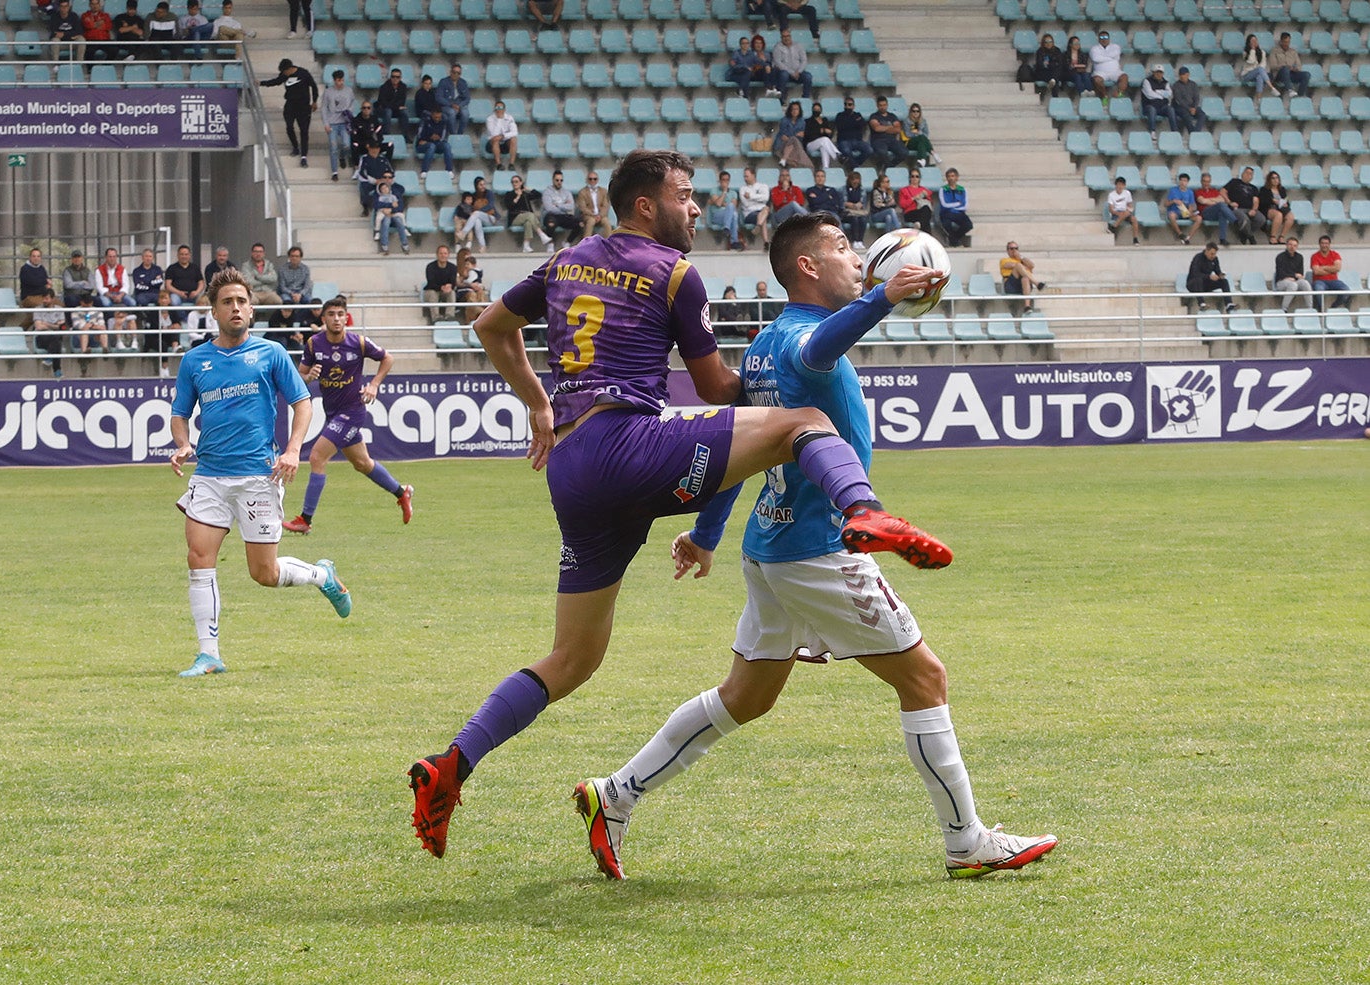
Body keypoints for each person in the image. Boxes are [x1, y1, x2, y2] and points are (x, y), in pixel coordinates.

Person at [406, 150, 952, 860]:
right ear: (645, 206)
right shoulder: (674, 273)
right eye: (686, 196)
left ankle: (451, 765)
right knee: (803, 427)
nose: (695, 209)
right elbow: (713, 386)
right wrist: (761, 382)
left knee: (572, 657)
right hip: (628, 443)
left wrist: (539, 405)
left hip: (571, 465)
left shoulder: (566, 260)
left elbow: (489, 326)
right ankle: (864, 511)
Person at [571, 211, 1057, 882]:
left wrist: (706, 534)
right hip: (820, 546)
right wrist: (881, 299)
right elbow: (821, 349)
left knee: (745, 696)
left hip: (769, 544)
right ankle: (965, 840)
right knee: (925, 679)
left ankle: (615, 793)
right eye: (840, 249)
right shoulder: (801, 339)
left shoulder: (764, 344)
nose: (856, 258)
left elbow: (740, 445)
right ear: (808, 266)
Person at [169, 269, 351, 678]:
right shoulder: (195, 360)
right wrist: (183, 443)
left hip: (258, 476)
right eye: (226, 302)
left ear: (251, 309)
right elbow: (179, 414)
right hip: (210, 476)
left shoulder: (271, 354)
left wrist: (291, 450)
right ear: (214, 311)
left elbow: (303, 404)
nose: (235, 308)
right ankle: (209, 655)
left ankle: (321, 575)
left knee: (263, 574)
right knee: (199, 558)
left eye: (241, 302)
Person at [282, 297, 414, 535]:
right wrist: (310, 376)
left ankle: (305, 520)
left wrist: (374, 384)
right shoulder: (314, 344)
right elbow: (300, 375)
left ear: (346, 317)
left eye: (340, 314)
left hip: (352, 412)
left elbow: (388, 357)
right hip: (333, 413)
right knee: (362, 464)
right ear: (323, 319)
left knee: (316, 457)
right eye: (331, 314)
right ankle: (401, 492)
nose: (336, 319)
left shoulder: (358, 343)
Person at [260, 59, 319, 168]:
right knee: (289, 127)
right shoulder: (284, 75)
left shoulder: (303, 73)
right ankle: (295, 147)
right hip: (290, 105)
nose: (284, 74)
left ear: (290, 69)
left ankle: (304, 156)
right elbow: (276, 81)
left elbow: (314, 86)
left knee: (304, 131)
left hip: (303, 106)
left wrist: (314, 101)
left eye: (284, 72)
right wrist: (261, 83)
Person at [505, 173, 553, 254]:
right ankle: (541, 234)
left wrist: (528, 189)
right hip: (515, 218)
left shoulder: (525, 194)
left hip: (527, 218)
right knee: (530, 215)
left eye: (516, 182)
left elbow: (538, 195)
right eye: (513, 182)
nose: (514, 184)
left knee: (528, 223)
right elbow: (509, 206)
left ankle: (526, 246)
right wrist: (517, 197)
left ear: (521, 183)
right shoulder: (509, 194)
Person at [320, 69, 353, 182]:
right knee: (333, 147)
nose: (341, 82)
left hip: (344, 122)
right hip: (332, 122)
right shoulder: (328, 92)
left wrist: (349, 115)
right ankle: (334, 171)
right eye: (339, 80)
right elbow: (324, 108)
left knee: (346, 144)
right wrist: (326, 123)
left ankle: (342, 156)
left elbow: (352, 103)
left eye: (342, 80)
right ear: (334, 81)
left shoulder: (349, 90)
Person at [1193, 172, 1241, 246]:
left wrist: (1209, 200)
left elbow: (1222, 199)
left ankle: (1222, 239)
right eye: (1204, 181)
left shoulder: (1214, 191)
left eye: (1208, 181)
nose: (1206, 183)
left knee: (1222, 213)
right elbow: (1202, 201)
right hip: (1205, 212)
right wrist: (1215, 201)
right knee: (1221, 206)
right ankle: (1235, 222)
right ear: (1201, 182)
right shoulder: (1198, 191)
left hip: (1215, 212)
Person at [165, 244, 205, 327]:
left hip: (193, 295)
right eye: (182, 254)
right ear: (178, 255)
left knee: (204, 301)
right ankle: (185, 319)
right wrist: (179, 292)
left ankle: (201, 323)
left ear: (189, 255)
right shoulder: (172, 268)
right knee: (174, 301)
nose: (184, 256)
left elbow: (201, 283)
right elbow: (168, 285)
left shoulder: (195, 268)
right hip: (177, 295)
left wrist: (196, 292)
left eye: (186, 254)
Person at [1223, 166, 1265, 245]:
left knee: (1261, 219)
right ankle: (1250, 236)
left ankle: (1244, 234)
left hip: (1249, 209)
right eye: (1247, 173)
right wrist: (1229, 202)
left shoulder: (1254, 188)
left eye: (1251, 174)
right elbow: (1223, 191)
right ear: (1242, 174)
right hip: (1236, 208)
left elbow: (1256, 200)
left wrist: (1254, 210)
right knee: (1245, 220)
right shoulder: (1234, 182)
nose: (1248, 175)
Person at [1186, 241, 1233, 312]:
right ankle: (1201, 303)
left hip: (1206, 284)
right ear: (1206, 251)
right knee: (1198, 279)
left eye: (1214, 254)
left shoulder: (1215, 259)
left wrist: (1220, 275)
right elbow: (1195, 273)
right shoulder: (1198, 258)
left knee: (1224, 281)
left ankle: (1228, 304)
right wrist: (1209, 276)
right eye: (1211, 254)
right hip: (1193, 284)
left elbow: (1217, 271)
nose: (1213, 256)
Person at [1000, 241, 1046, 312]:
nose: (1014, 250)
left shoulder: (1022, 260)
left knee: (1025, 278)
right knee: (1018, 265)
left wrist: (1020, 257)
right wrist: (1023, 266)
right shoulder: (1004, 260)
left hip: (1024, 284)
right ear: (1008, 250)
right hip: (1011, 285)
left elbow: (1032, 265)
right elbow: (1010, 265)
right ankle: (1037, 283)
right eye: (1012, 248)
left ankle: (1027, 306)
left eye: (1016, 248)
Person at [541, 170, 583, 247]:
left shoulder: (566, 192)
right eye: (557, 180)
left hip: (563, 215)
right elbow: (549, 208)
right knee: (551, 224)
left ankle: (567, 242)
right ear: (553, 180)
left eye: (561, 180)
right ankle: (550, 245)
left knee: (579, 224)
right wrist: (564, 205)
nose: (559, 182)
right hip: (551, 215)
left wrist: (558, 205)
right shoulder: (547, 192)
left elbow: (571, 206)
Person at [457, 177, 500, 252]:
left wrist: (479, 212)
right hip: (480, 219)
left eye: (484, 184)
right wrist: (456, 214)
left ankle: (463, 233)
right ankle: (483, 246)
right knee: (476, 221)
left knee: (476, 213)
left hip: (491, 218)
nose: (483, 186)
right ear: (476, 186)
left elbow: (491, 205)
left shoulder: (489, 193)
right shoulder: (474, 196)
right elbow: (465, 205)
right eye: (480, 185)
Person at [771, 28, 813, 103]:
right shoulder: (777, 47)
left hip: (798, 73)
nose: (786, 38)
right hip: (785, 73)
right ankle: (780, 99)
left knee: (808, 76)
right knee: (784, 75)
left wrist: (799, 72)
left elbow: (804, 60)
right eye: (784, 36)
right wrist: (791, 73)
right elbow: (778, 63)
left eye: (788, 36)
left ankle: (805, 99)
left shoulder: (798, 46)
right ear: (781, 38)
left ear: (790, 36)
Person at [1309, 234, 1350, 312]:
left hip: (1334, 281)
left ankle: (1333, 308)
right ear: (1319, 244)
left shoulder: (1335, 254)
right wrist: (1331, 270)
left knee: (1346, 290)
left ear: (1329, 244)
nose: (1324, 245)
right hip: (1319, 281)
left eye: (1326, 243)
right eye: (1322, 243)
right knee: (1319, 290)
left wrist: (1323, 267)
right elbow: (1316, 271)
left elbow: (1337, 268)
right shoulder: (1315, 256)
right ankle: (1322, 310)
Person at [373, 175, 411, 256]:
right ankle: (384, 245)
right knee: (386, 221)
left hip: (394, 213)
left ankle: (405, 244)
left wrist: (391, 210)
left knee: (399, 220)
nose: (387, 179)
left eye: (389, 177)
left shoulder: (395, 193)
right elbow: (376, 204)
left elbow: (399, 205)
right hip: (384, 214)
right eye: (385, 177)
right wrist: (387, 207)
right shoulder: (378, 194)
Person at [31, 290, 65, 380]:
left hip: (54, 338)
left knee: (57, 337)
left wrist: (47, 324)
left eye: (46, 298)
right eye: (43, 298)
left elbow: (61, 326)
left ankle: (50, 358)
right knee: (57, 338)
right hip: (42, 337)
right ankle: (57, 369)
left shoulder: (60, 309)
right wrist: (54, 325)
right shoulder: (38, 309)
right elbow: (38, 326)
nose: (44, 300)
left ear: (53, 299)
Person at [867, 94, 907, 170]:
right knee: (882, 152)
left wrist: (883, 128)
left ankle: (888, 167)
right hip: (878, 140)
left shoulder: (892, 116)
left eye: (884, 105)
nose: (883, 107)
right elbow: (876, 128)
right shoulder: (874, 116)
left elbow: (898, 129)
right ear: (877, 106)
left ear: (887, 105)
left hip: (892, 140)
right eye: (880, 105)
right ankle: (887, 168)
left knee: (904, 152)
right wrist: (890, 127)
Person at [1089, 28, 1128, 103]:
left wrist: (1102, 57)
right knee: (1097, 80)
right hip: (1100, 72)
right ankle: (1104, 96)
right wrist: (1111, 58)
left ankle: (1118, 94)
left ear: (1109, 38)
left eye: (1106, 37)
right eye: (1102, 38)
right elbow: (1095, 58)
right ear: (1098, 39)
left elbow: (1116, 54)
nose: (1104, 39)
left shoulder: (1115, 46)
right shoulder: (1094, 48)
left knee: (1124, 77)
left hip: (1115, 72)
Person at [414, 106, 454, 179]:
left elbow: (444, 135)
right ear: (432, 115)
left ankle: (449, 170)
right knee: (431, 146)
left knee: (447, 146)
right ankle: (424, 170)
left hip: (437, 143)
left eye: (439, 117)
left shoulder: (443, 121)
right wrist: (429, 138)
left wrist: (438, 138)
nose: (437, 119)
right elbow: (419, 134)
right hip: (423, 144)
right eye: (436, 117)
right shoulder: (425, 121)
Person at [356, 140, 395, 216]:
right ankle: (365, 208)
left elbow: (391, 171)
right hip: (370, 182)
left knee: (397, 188)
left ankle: (393, 207)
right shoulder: (364, 158)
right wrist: (374, 181)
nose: (375, 150)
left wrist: (386, 180)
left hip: (383, 181)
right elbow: (362, 172)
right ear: (369, 149)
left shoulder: (383, 159)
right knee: (364, 187)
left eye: (377, 148)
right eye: (373, 148)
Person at [1273, 237, 1312, 311]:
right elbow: (1281, 273)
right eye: (1290, 245)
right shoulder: (1280, 257)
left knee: (1305, 283)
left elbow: (1300, 273)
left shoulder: (1299, 257)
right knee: (1293, 285)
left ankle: (1310, 308)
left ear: (1297, 247)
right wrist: (1293, 275)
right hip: (1281, 281)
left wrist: (1293, 276)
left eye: (1294, 245)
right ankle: (1284, 309)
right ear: (1286, 245)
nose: (1292, 247)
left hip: (1295, 280)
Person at [709, 169, 743, 251]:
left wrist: (724, 204)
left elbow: (733, 207)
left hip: (729, 216)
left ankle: (727, 230)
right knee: (732, 213)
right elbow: (718, 204)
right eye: (723, 180)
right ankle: (733, 240)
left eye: (727, 180)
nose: (725, 182)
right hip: (717, 216)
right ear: (720, 181)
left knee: (734, 215)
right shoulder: (714, 190)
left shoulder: (733, 193)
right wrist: (724, 192)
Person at [350, 102, 393, 168]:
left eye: (368, 108)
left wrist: (376, 144)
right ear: (361, 109)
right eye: (364, 108)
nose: (366, 109)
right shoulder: (356, 120)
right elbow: (354, 137)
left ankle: (387, 165)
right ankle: (356, 166)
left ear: (371, 109)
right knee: (354, 145)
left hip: (373, 145)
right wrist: (365, 144)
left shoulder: (374, 119)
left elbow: (379, 134)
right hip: (362, 146)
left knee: (390, 145)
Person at [18, 247, 52, 330]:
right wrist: (44, 284)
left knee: (60, 306)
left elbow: (45, 283)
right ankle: (22, 330)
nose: (36, 258)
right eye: (34, 256)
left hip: (42, 296)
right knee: (43, 307)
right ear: (30, 257)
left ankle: (58, 331)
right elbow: (33, 283)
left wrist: (45, 284)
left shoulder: (42, 268)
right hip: (29, 297)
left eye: (38, 256)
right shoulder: (25, 269)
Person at [241, 242, 284, 308]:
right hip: (253, 292)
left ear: (264, 253)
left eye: (260, 252)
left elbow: (274, 278)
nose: (258, 254)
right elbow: (248, 281)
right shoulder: (246, 266)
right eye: (256, 251)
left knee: (278, 301)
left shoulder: (269, 264)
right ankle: (252, 318)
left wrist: (258, 277)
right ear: (252, 253)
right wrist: (266, 280)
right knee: (250, 302)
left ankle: (272, 319)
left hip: (268, 292)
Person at [1267, 31, 1310, 97]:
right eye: (1285, 42)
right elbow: (1272, 66)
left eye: (1288, 42)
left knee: (1306, 75)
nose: (1286, 44)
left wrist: (1295, 69)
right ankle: (1290, 89)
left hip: (1291, 73)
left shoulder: (1293, 51)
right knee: (1285, 69)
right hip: (1279, 74)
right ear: (1281, 41)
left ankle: (1300, 95)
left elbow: (1299, 65)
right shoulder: (1274, 51)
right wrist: (1283, 66)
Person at [833, 95, 872, 168]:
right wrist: (855, 122)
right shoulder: (840, 115)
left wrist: (850, 123)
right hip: (844, 141)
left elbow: (863, 125)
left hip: (858, 141)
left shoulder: (858, 114)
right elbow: (841, 127)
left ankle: (853, 165)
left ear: (853, 106)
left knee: (869, 150)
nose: (847, 106)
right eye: (845, 104)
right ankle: (856, 168)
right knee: (846, 151)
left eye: (849, 104)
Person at [937, 168, 972, 247]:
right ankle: (955, 241)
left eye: (953, 176)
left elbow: (965, 206)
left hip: (959, 213)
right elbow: (944, 204)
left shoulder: (962, 190)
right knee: (946, 224)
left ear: (957, 177)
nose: (951, 178)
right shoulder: (943, 189)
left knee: (968, 225)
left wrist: (954, 207)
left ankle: (953, 239)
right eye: (949, 176)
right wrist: (958, 204)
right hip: (946, 213)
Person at [453, 247, 489, 324]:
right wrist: (469, 285)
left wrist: (478, 286)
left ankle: (483, 312)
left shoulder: (472, 270)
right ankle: (480, 313)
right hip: (463, 292)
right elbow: (457, 283)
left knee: (481, 292)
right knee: (472, 295)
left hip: (474, 290)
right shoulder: (456, 270)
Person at [774, 100, 814, 169]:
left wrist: (801, 135)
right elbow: (784, 136)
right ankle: (808, 164)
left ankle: (785, 159)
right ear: (790, 110)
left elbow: (801, 138)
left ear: (799, 110)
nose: (795, 111)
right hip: (782, 145)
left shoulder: (802, 121)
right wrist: (796, 135)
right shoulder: (784, 120)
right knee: (793, 139)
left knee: (794, 140)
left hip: (794, 146)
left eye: (796, 109)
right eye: (793, 109)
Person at [1256, 170, 1293, 245]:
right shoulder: (1264, 189)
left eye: (1277, 178)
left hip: (1281, 208)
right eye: (1273, 178)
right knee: (1278, 215)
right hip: (1268, 208)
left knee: (1290, 216)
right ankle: (1273, 237)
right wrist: (1273, 201)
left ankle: (1282, 236)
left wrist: (1286, 204)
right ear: (1269, 180)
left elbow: (1286, 200)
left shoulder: (1282, 189)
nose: (1275, 180)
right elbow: (1262, 202)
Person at [277, 246, 314, 320]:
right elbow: (282, 286)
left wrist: (300, 294)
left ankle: (301, 320)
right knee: (286, 301)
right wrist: (292, 294)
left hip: (301, 293)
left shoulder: (305, 269)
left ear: (300, 257)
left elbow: (307, 286)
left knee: (310, 301)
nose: (294, 258)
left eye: (297, 256)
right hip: (287, 293)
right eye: (292, 256)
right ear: (289, 257)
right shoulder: (282, 269)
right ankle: (289, 321)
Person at [1139, 66, 1178, 135]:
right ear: (1153, 73)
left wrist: (1157, 91)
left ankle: (1174, 132)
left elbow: (1169, 94)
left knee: (1171, 109)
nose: (1159, 74)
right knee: (1152, 110)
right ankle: (1152, 132)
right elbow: (1149, 94)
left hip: (1162, 106)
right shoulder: (1147, 81)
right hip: (1149, 105)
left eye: (1161, 72)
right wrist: (1162, 94)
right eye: (1157, 72)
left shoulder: (1165, 82)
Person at [423, 243, 457, 322]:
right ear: (437, 255)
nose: (443, 255)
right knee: (432, 293)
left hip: (445, 292)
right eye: (441, 253)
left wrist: (450, 286)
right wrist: (441, 287)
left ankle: (450, 315)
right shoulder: (430, 266)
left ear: (448, 255)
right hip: (431, 291)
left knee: (452, 293)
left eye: (445, 253)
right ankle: (436, 317)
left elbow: (453, 281)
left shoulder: (452, 267)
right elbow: (431, 282)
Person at [434, 63, 470, 135]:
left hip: (459, 105)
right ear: (450, 72)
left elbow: (467, 98)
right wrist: (451, 104)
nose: (456, 74)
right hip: (446, 106)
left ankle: (460, 135)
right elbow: (438, 97)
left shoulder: (463, 82)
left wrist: (459, 106)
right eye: (454, 72)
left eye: (458, 73)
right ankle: (453, 135)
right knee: (451, 112)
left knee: (466, 113)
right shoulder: (443, 82)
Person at [375, 67, 411, 141]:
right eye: (393, 76)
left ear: (400, 78)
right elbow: (383, 102)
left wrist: (394, 106)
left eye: (397, 77)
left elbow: (402, 102)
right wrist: (396, 107)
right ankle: (386, 135)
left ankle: (405, 136)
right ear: (390, 77)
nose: (395, 79)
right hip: (383, 109)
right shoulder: (384, 87)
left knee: (404, 112)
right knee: (388, 111)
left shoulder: (403, 87)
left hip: (394, 109)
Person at [739, 166, 771, 249]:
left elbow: (766, 198)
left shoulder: (763, 186)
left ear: (753, 175)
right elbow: (746, 203)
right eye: (744, 176)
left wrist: (751, 196)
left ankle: (758, 226)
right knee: (764, 214)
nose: (745, 178)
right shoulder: (743, 189)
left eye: (747, 176)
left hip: (762, 211)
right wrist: (759, 199)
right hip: (750, 213)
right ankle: (766, 241)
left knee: (765, 210)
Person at [576, 170, 613, 239]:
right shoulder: (582, 192)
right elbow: (583, 208)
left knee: (607, 223)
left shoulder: (603, 191)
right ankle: (586, 244)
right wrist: (594, 215)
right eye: (590, 179)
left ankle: (608, 243)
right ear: (587, 180)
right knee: (591, 222)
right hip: (589, 216)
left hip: (601, 216)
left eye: (594, 179)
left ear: (597, 180)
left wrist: (600, 215)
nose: (592, 181)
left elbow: (606, 206)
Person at [803, 102, 840, 171]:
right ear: (812, 110)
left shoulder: (824, 120)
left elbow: (829, 133)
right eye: (815, 109)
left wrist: (828, 132)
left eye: (818, 109)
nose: (816, 111)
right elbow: (808, 134)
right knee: (824, 140)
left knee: (824, 146)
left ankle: (826, 169)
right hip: (811, 144)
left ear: (821, 110)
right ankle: (837, 155)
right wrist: (822, 130)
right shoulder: (808, 121)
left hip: (822, 143)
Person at [484, 100, 519, 171]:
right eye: (497, 108)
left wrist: (503, 136)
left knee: (514, 139)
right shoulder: (490, 119)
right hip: (492, 144)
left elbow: (515, 132)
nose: (499, 110)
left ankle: (511, 164)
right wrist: (499, 119)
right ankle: (498, 164)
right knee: (495, 140)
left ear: (504, 109)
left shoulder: (509, 118)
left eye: (501, 108)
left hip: (504, 142)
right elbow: (494, 134)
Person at [897, 166, 934, 232]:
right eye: (912, 176)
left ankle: (919, 225)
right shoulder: (904, 190)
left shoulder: (924, 190)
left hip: (922, 212)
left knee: (926, 212)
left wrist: (926, 196)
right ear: (909, 178)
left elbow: (930, 203)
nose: (914, 178)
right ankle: (926, 238)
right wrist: (913, 198)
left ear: (919, 178)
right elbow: (902, 205)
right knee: (926, 220)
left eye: (917, 176)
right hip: (910, 213)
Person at [1106, 175, 1141, 245]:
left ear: (1124, 186)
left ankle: (1135, 239)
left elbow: (1130, 205)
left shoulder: (1127, 193)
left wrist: (1128, 211)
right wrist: (1120, 214)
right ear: (1115, 185)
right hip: (1116, 213)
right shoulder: (1111, 195)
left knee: (1134, 219)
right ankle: (1114, 226)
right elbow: (1111, 209)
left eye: (1122, 185)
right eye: (1118, 184)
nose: (1120, 187)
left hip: (1125, 212)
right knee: (1125, 213)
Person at [1172, 66, 1207, 133]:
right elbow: (1179, 100)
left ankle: (1196, 132)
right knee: (1186, 116)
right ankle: (1192, 133)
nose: (1182, 76)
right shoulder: (1176, 85)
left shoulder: (1193, 84)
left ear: (1188, 75)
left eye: (1184, 75)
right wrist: (1189, 109)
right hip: (1180, 107)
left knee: (1202, 115)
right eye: (1181, 75)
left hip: (1192, 106)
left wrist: (1194, 107)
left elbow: (1196, 98)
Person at [1165, 172, 1196, 244]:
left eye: (1185, 181)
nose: (1183, 182)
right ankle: (1180, 234)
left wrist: (1189, 212)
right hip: (1175, 212)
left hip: (1185, 212)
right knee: (1171, 215)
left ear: (1187, 182)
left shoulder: (1190, 192)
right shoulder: (1173, 190)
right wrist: (1173, 201)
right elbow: (1165, 204)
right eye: (1181, 180)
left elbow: (1191, 205)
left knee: (1199, 218)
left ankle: (1188, 237)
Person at [842, 170, 869, 249]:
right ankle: (854, 240)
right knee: (855, 219)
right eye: (853, 179)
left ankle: (860, 240)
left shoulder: (862, 190)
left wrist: (852, 205)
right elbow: (843, 203)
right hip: (847, 213)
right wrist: (851, 205)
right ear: (849, 180)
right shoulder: (844, 189)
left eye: (857, 179)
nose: (855, 181)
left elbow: (862, 203)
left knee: (863, 219)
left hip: (858, 212)